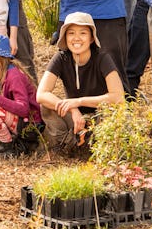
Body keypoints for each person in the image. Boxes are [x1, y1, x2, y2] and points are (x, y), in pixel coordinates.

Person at [35, 12, 125, 152]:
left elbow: (118, 97)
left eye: (83, 33)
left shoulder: (103, 58)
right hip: (74, 119)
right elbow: (41, 94)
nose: (76, 38)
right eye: (71, 33)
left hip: (100, 116)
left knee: (113, 111)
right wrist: (73, 108)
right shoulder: (61, 58)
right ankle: (69, 143)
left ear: (91, 38)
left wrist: (78, 101)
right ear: (65, 37)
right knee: (46, 106)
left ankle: (96, 144)